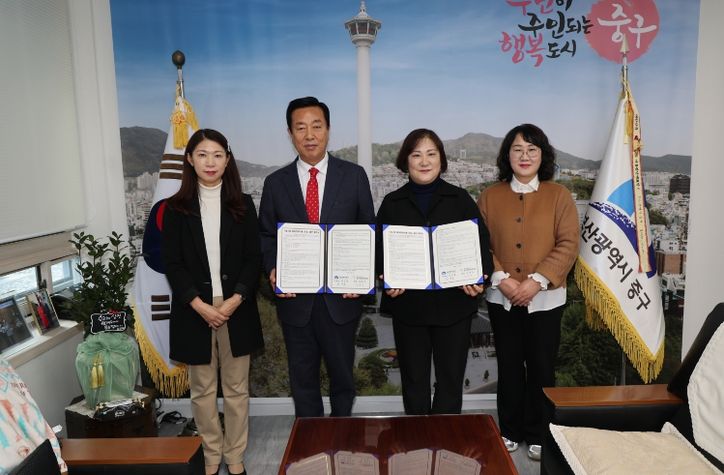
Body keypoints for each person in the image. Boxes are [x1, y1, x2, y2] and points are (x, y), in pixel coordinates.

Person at [258, 96, 375, 418]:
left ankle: (342, 437)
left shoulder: (353, 176)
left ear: (328, 129)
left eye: (316, 126)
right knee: (303, 382)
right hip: (296, 301)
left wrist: (361, 278)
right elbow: (266, 235)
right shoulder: (275, 183)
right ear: (290, 133)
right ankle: (310, 442)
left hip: (341, 300)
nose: (309, 135)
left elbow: (368, 231)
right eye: (301, 128)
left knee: (343, 380)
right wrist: (273, 268)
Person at [163, 128, 262, 475]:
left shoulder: (243, 204)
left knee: (236, 389)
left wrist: (235, 299)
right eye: (202, 154)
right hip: (195, 309)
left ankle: (235, 457)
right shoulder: (174, 208)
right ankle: (210, 456)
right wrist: (199, 305)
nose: (210, 162)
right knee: (202, 390)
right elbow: (173, 263)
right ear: (190, 159)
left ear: (227, 160)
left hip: (236, 306)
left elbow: (253, 258)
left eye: (218, 155)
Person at [477, 123, 579, 461]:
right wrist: (502, 279)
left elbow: (569, 243)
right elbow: (480, 243)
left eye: (532, 149)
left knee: (541, 367)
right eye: (517, 149)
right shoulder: (490, 196)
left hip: (546, 299)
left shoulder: (559, 196)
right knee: (508, 365)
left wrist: (537, 280)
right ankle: (509, 429)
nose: (524, 156)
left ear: (542, 155)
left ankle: (538, 432)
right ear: (507, 155)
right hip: (501, 296)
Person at [376, 128, 493, 415]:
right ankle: (417, 439)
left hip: (454, 306)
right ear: (406, 161)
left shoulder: (461, 199)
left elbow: (481, 246)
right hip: (409, 307)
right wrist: (385, 277)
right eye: (416, 155)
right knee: (414, 382)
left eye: (431, 154)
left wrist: (479, 278)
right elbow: (378, 251)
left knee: (450, 382)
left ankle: (445, 439)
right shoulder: (392, 203)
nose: (424, 161)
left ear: (441, 160)